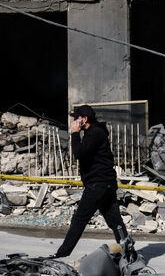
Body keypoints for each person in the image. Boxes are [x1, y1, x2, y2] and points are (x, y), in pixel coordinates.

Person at [53, 105, 129, 258]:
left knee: (79, 220)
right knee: (114, 220)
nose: (74, 121)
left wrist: (74, 134)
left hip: (98, 184)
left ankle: (61, 255)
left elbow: (79, 153)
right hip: (106, 183)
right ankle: (129, 253)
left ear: (84, 119)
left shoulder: (94, 133)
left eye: (77, 118)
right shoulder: (95, 132)